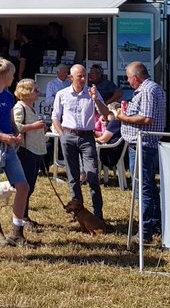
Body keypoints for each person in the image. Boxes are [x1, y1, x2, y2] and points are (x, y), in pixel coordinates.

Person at [0, 59, 34, 248]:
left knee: (23, 186)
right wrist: (2, 137)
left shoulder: (8, 96)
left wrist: (16, 133)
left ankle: (16, 230)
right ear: (4, 76)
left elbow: (11, 119)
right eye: (12, 75)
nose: (14, 78)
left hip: (10, 147)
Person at [51, 63, 109, 221]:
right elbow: (55, 117)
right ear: (71, 77)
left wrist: (96, 99)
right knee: (73, 176)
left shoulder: (92, 93)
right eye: (80, 76)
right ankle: (78, 213)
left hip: (87, 137)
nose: (84, 79)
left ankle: (98, 214)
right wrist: (62, 135)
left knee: (92, 176)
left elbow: (106, 114)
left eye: (85, 75)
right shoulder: (62, 94)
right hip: (68, 135)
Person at [117, 63, 166, 242]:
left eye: (129, 78)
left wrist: (123, 117)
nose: (128, 81)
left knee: (143, 189)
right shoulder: (155, 88)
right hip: (147, 145)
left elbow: (146, 118)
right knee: (150, 188)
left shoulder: (146, 91)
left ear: (136, 78)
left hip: (142, 145)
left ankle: (145, 232)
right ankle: (156, 225)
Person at [11, 78, 47, 232]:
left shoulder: (30, 107)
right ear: (25, 92)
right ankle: (22, 218)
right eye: (35, 90)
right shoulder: (20, 108)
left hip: (35, 149)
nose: (38, 92)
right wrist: (34, 126)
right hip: (26, 151)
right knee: (26, 186)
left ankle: (24, 216)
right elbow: (16, 126)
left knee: (30, 186)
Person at [96, 103, 126, 170]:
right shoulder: (122, 123)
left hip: (110, 154)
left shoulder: (115, 123)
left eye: (109, 113)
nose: (106, 115)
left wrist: (91, 138)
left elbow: (103, 139)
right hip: (117, 152)